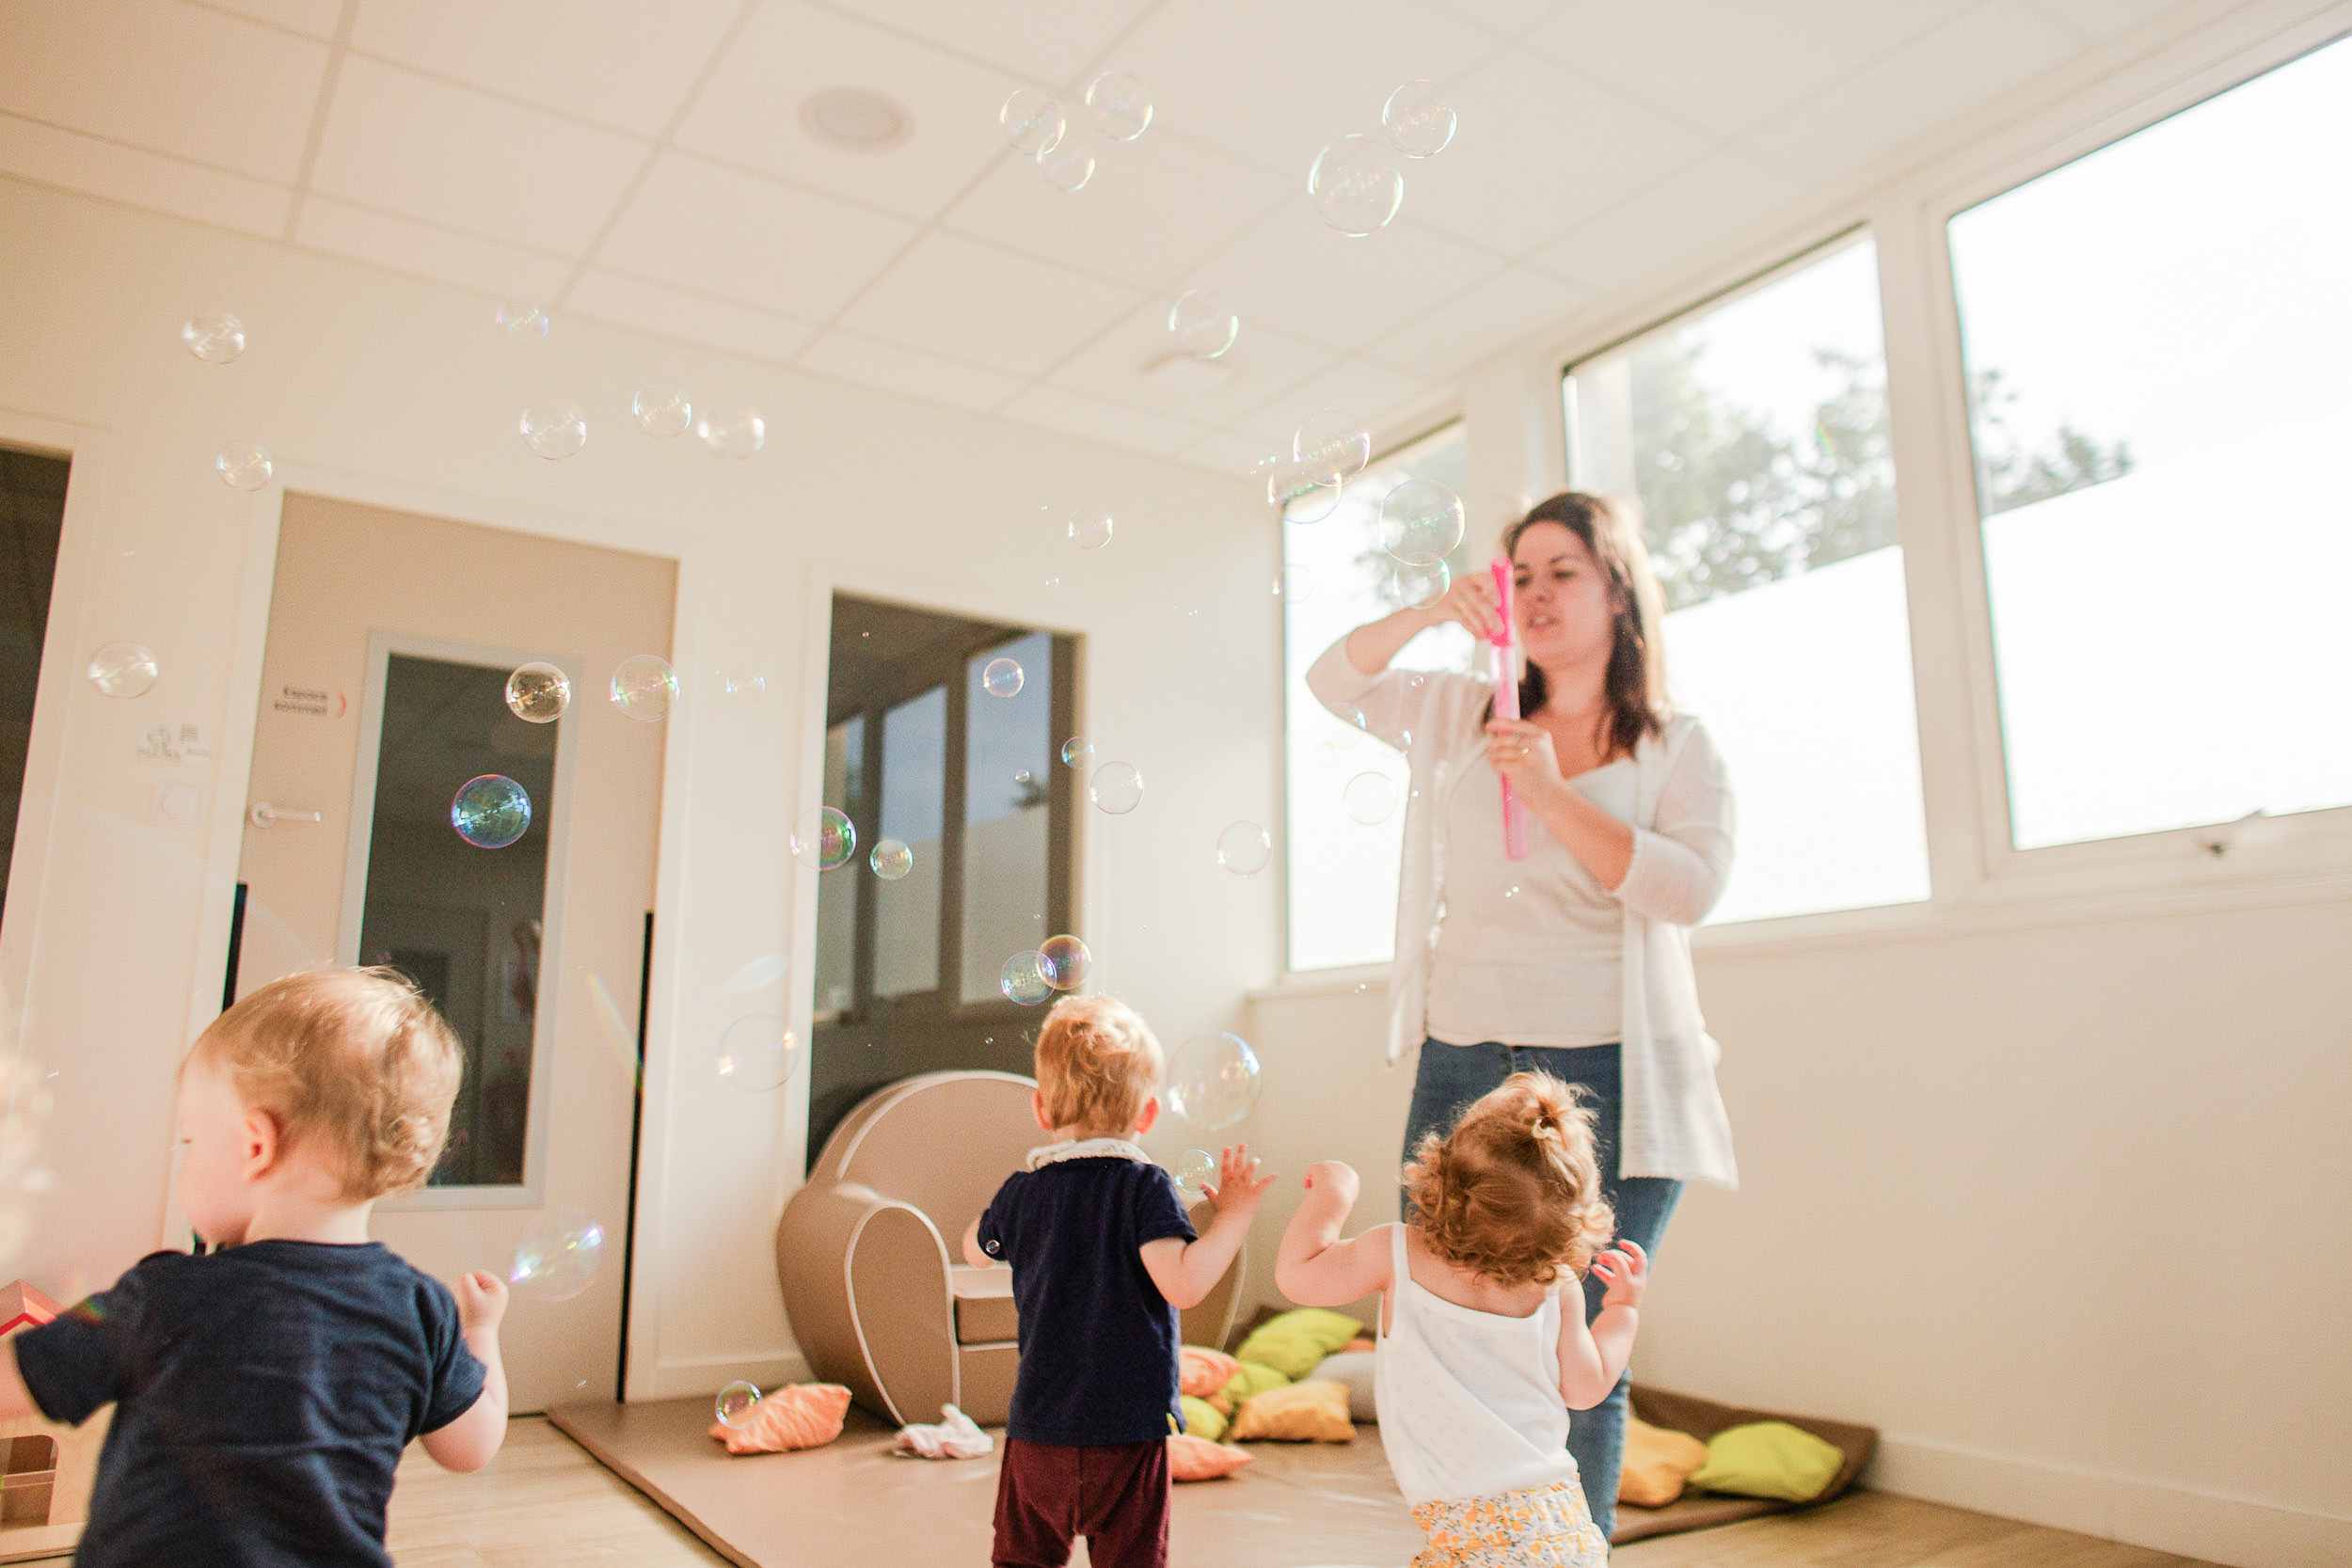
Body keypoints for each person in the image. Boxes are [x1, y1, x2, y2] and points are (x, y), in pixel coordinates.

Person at [1304, 490, 1736, 1538]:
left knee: (1572, 1336)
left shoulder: (1677, 744)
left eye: (1563, 571)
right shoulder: (1462, 705)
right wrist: (1423, 613)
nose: (1537, 593)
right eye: (1520, 573)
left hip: (1615, 1073)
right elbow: (1333, 678)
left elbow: (1688, 889)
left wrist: (1547, 793)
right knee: (1438, 1315)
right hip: (1466, 1053)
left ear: (1618, 589)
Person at [0, 967, 510, 1568]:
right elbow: (472, 1446)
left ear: (254, 1146)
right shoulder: (421, 1310)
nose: (185, 1162)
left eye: (190, 1143)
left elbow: (14, 1380)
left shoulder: (160, 1295)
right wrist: (480, 1331)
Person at [1274, 1071, 1649, 1568]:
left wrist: (1331, 1199)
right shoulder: (1556, 1288)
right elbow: (1585, 1389)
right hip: (1561, 1530)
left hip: (1473, 1540)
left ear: (1440, 1179)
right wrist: (1622, 1311)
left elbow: (1298, 1277)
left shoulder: (1395, 1251)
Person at [960, 993, 1270, 1568]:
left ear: (1041, 1109)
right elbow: (1183, 1285)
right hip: (1126, 1433)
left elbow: (976, 1252)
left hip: (1038, 1430)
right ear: (1147, 1115)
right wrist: (1233, 1218)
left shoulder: (1022, 1191)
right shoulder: (1142, 1186)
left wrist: (991, 1223)